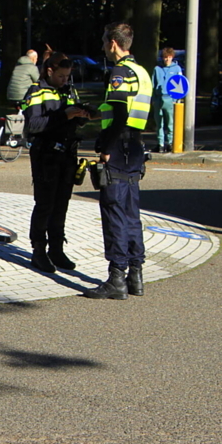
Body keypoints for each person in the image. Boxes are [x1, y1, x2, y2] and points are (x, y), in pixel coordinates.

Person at [85, 21, 153, 300]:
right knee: (131, 214)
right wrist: (95, 112)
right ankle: (135, 275)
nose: (103, 47)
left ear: (113, 43)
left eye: (104, 41)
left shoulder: (120, 72)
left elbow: (119, 111)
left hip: (118, 148)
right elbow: (129, 110)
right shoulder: (142, 71)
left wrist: (105, 146)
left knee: (114, 212)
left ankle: (116, 279)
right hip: (135, 147)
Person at [21, 53, 92, 272]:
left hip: (67, 154)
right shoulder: (36, 91)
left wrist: (83, 115)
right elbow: (33, 125)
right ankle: (38, 251)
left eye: (67, 76)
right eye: (61, 76)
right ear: (50, 71)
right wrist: (64, 116)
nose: (64, 80)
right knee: (45, 204)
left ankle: (56, 249)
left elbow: (74, 119)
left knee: (62, 204)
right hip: (46, 155)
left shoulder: (68, 90)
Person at [152, 47, 183, 153]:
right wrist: (153, 99)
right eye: (165, 57)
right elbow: (153, 84)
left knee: (170, 123)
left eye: (169, 57)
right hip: (158, 98)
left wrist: (177, 99)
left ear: (172, 57)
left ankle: (170, 143)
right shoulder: (157, 69)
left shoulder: (177, 69)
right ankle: (160, 144)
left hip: (170, 99)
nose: (167, 59)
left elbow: (180, 85)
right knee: (159, 123)